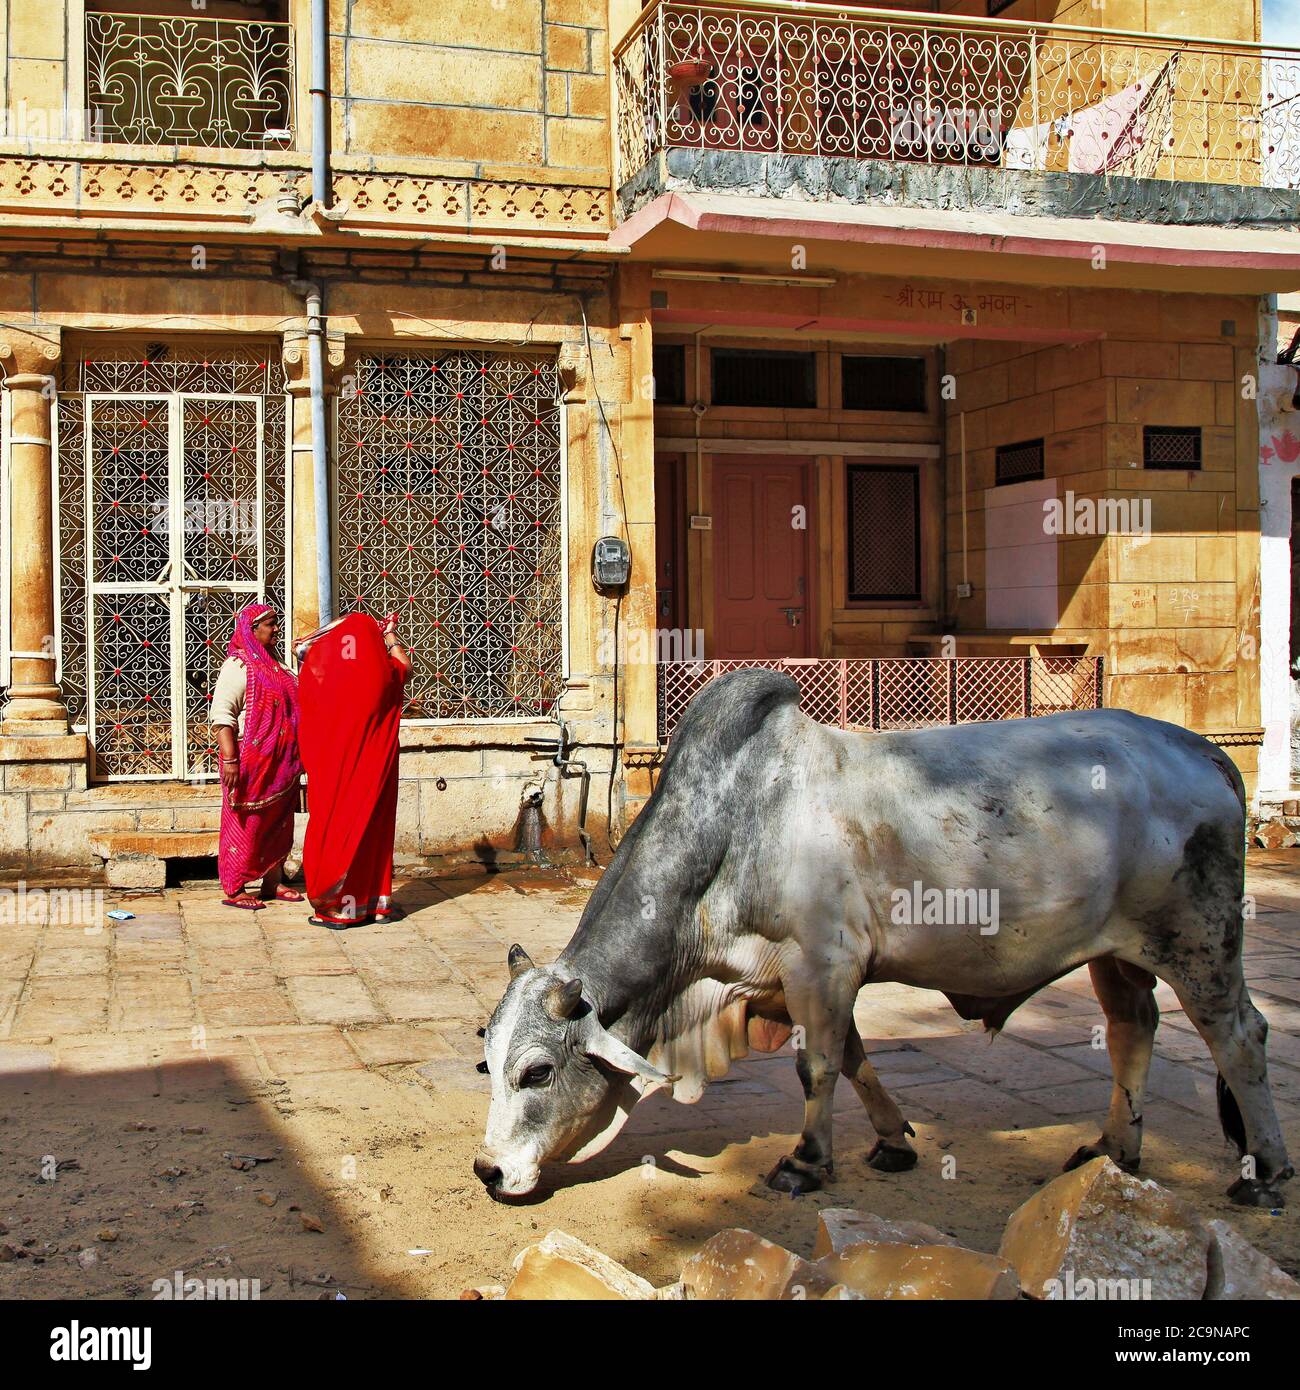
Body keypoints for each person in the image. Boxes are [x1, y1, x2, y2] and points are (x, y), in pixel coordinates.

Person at [296, 612, 412, 928]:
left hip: (338, 773)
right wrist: (388, 636)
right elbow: (406, 666)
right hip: (378, 771)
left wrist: (311, 647)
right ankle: (374, 907)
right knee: (373, 832)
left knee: (340, 829)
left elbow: (308, 657)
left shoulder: (325, 678)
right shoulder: (384, 675)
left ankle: (336, 909)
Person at [211, 603, 305, 910]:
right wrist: (230, 760)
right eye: (270, 624)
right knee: (245, 822)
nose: (276, 629)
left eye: (276, 623)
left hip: (283, 765)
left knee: (278, 823)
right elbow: (223, 716)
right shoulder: (238, 666)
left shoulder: (282, 668)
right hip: (251, 763)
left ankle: (273, 880)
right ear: (252, 630)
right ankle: (236, 886)